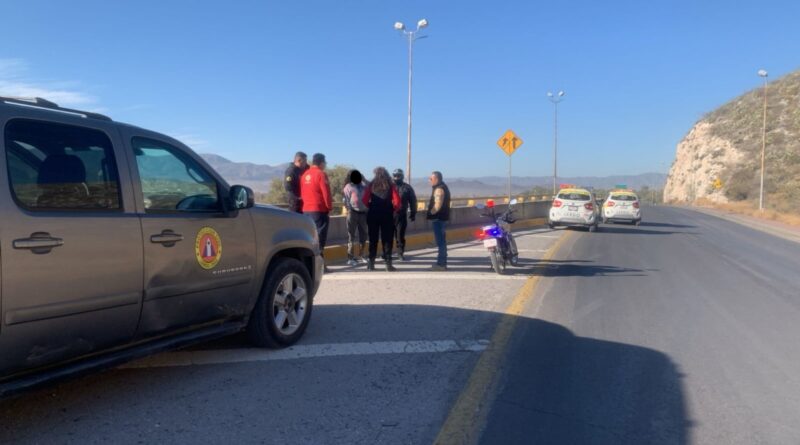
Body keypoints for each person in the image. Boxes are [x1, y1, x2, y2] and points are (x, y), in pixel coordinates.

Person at [362, 167, 401, 272]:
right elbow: (397, 202)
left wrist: (371, 205)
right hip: (387, 214)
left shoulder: (371, 185)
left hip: (373, 214)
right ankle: (388, 264)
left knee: (373, 239)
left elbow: (364, 200)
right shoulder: (390, 185)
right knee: (387, 239)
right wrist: (394, 209)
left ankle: (371, 263)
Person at [301, 153, 333, 271]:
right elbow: (326, 193)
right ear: (321, 163)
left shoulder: (305, 175)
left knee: (309, 237)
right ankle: (319, 266)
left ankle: (309, 265)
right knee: (320, 237)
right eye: (325, 162)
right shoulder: (321, 174)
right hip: (319, 210)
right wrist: (329, 207)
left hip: (306, 210)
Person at [342, 169, 369, 266]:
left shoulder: (364, 186)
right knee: (351, 236)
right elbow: (345, 199)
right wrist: (349, 209)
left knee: (364, 235)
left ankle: (362, 255)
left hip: (363, 214)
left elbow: (371, 186)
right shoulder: (348, 187)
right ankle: (350, 257)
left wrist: (364, 179)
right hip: (352, 213)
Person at [426, 171, 451, 271]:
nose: (429, 181)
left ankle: (441, 264)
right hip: (443, 218)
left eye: (431, 179)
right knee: (442, 242)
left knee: (440, 242)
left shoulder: (439, 189)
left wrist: (430, 213)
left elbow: (438, 205)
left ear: (436, 179)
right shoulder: (444, 187)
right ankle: (442, 262)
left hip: (438, 218)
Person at [392, 168, 417, 261]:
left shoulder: (407, 187)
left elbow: (413, 201)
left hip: (401, 215)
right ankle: (387, 252)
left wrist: (413, 212)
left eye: (398, 175)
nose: (396, 177)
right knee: (387, 235)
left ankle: (400, 253)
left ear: (402, 176)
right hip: (388, 215)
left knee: (400, 235)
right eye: (394, 176)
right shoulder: (388, 186)